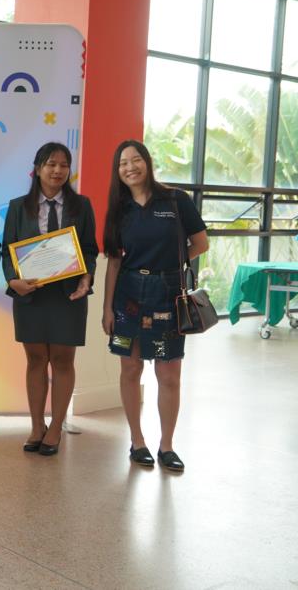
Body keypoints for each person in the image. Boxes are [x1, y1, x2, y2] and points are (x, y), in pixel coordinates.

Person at [102, 140, 208, 472]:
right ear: (117, 171)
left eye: (136, 160)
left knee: (168, 373)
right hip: (128, 297)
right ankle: (137, 441)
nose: (130, 167)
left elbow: (200, 243)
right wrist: (107, 309)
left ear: (147, 163)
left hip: (167, 294)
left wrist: (171, 265)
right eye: (123, 163)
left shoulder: (176, 200)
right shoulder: (119, 209)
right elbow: (114, 262)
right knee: (131, 369)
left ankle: (167, 446)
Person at [1, 142, 98, 456]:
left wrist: (87, 277)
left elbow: (89, 250)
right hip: (31, 296)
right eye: (51, 164)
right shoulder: (18, 206)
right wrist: (13, 280)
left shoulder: (81, 205)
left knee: (63, 360)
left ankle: (56, 426)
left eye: (63, 165)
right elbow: (7, 250)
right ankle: (36, 426)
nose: (57, 171)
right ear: (38, 168)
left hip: (68, 295)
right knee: (35, 360)